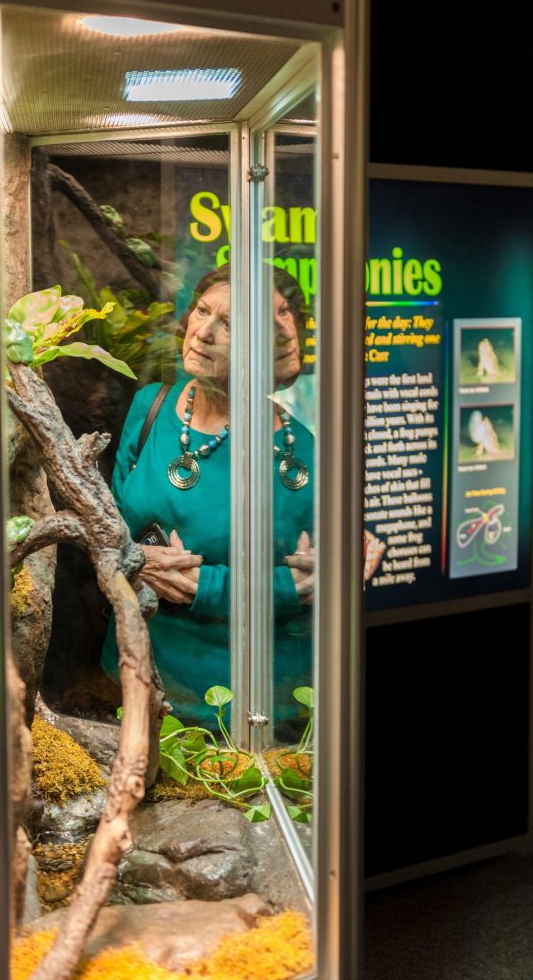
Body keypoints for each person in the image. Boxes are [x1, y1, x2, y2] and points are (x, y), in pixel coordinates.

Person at [101, 267, 314, 727]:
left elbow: (308, 585)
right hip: (136, 687)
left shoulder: (302, 452)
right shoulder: (150, 407)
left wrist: (201, 588)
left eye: (231, 324)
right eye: (201, 311)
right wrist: (134, 558)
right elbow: (109, 529)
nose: (202, 332)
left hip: (256, 709)